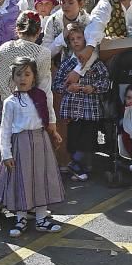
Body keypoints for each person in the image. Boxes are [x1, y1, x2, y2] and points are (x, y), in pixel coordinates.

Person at [0, 12, 53, 206]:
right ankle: (25, 202)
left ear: (17, 29)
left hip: (4, 108)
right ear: (39, 31)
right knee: (26, 158)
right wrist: (51, 121)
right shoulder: (43, 54)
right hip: (30, 112)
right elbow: (44, 91)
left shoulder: (4, 49)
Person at [0, 57, 64, 237]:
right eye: (18, 74)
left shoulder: (40, 96)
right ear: (13, 77)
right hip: (21, 144)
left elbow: (46, 116)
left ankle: (41, 218)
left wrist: (53, 133)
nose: (23, 78)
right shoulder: (10, 102)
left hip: (41, 141)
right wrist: (6, 154)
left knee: (41, 178)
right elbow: (5, 129)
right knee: (21, 180)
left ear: (34, 77)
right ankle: (21, 218)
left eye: (27, 74)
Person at [53, 23, 111, 182]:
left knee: (89, 139)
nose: (76, 42)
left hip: (90, 110)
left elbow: (106, 82)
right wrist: (68, 88)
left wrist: (93, 88)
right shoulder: (67, 65)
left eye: (79, 38)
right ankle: (78, 166)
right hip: (73, 110)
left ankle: (77, 165)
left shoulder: (96, 63)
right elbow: (57, 85)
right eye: (72, 39)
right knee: (74, 140)